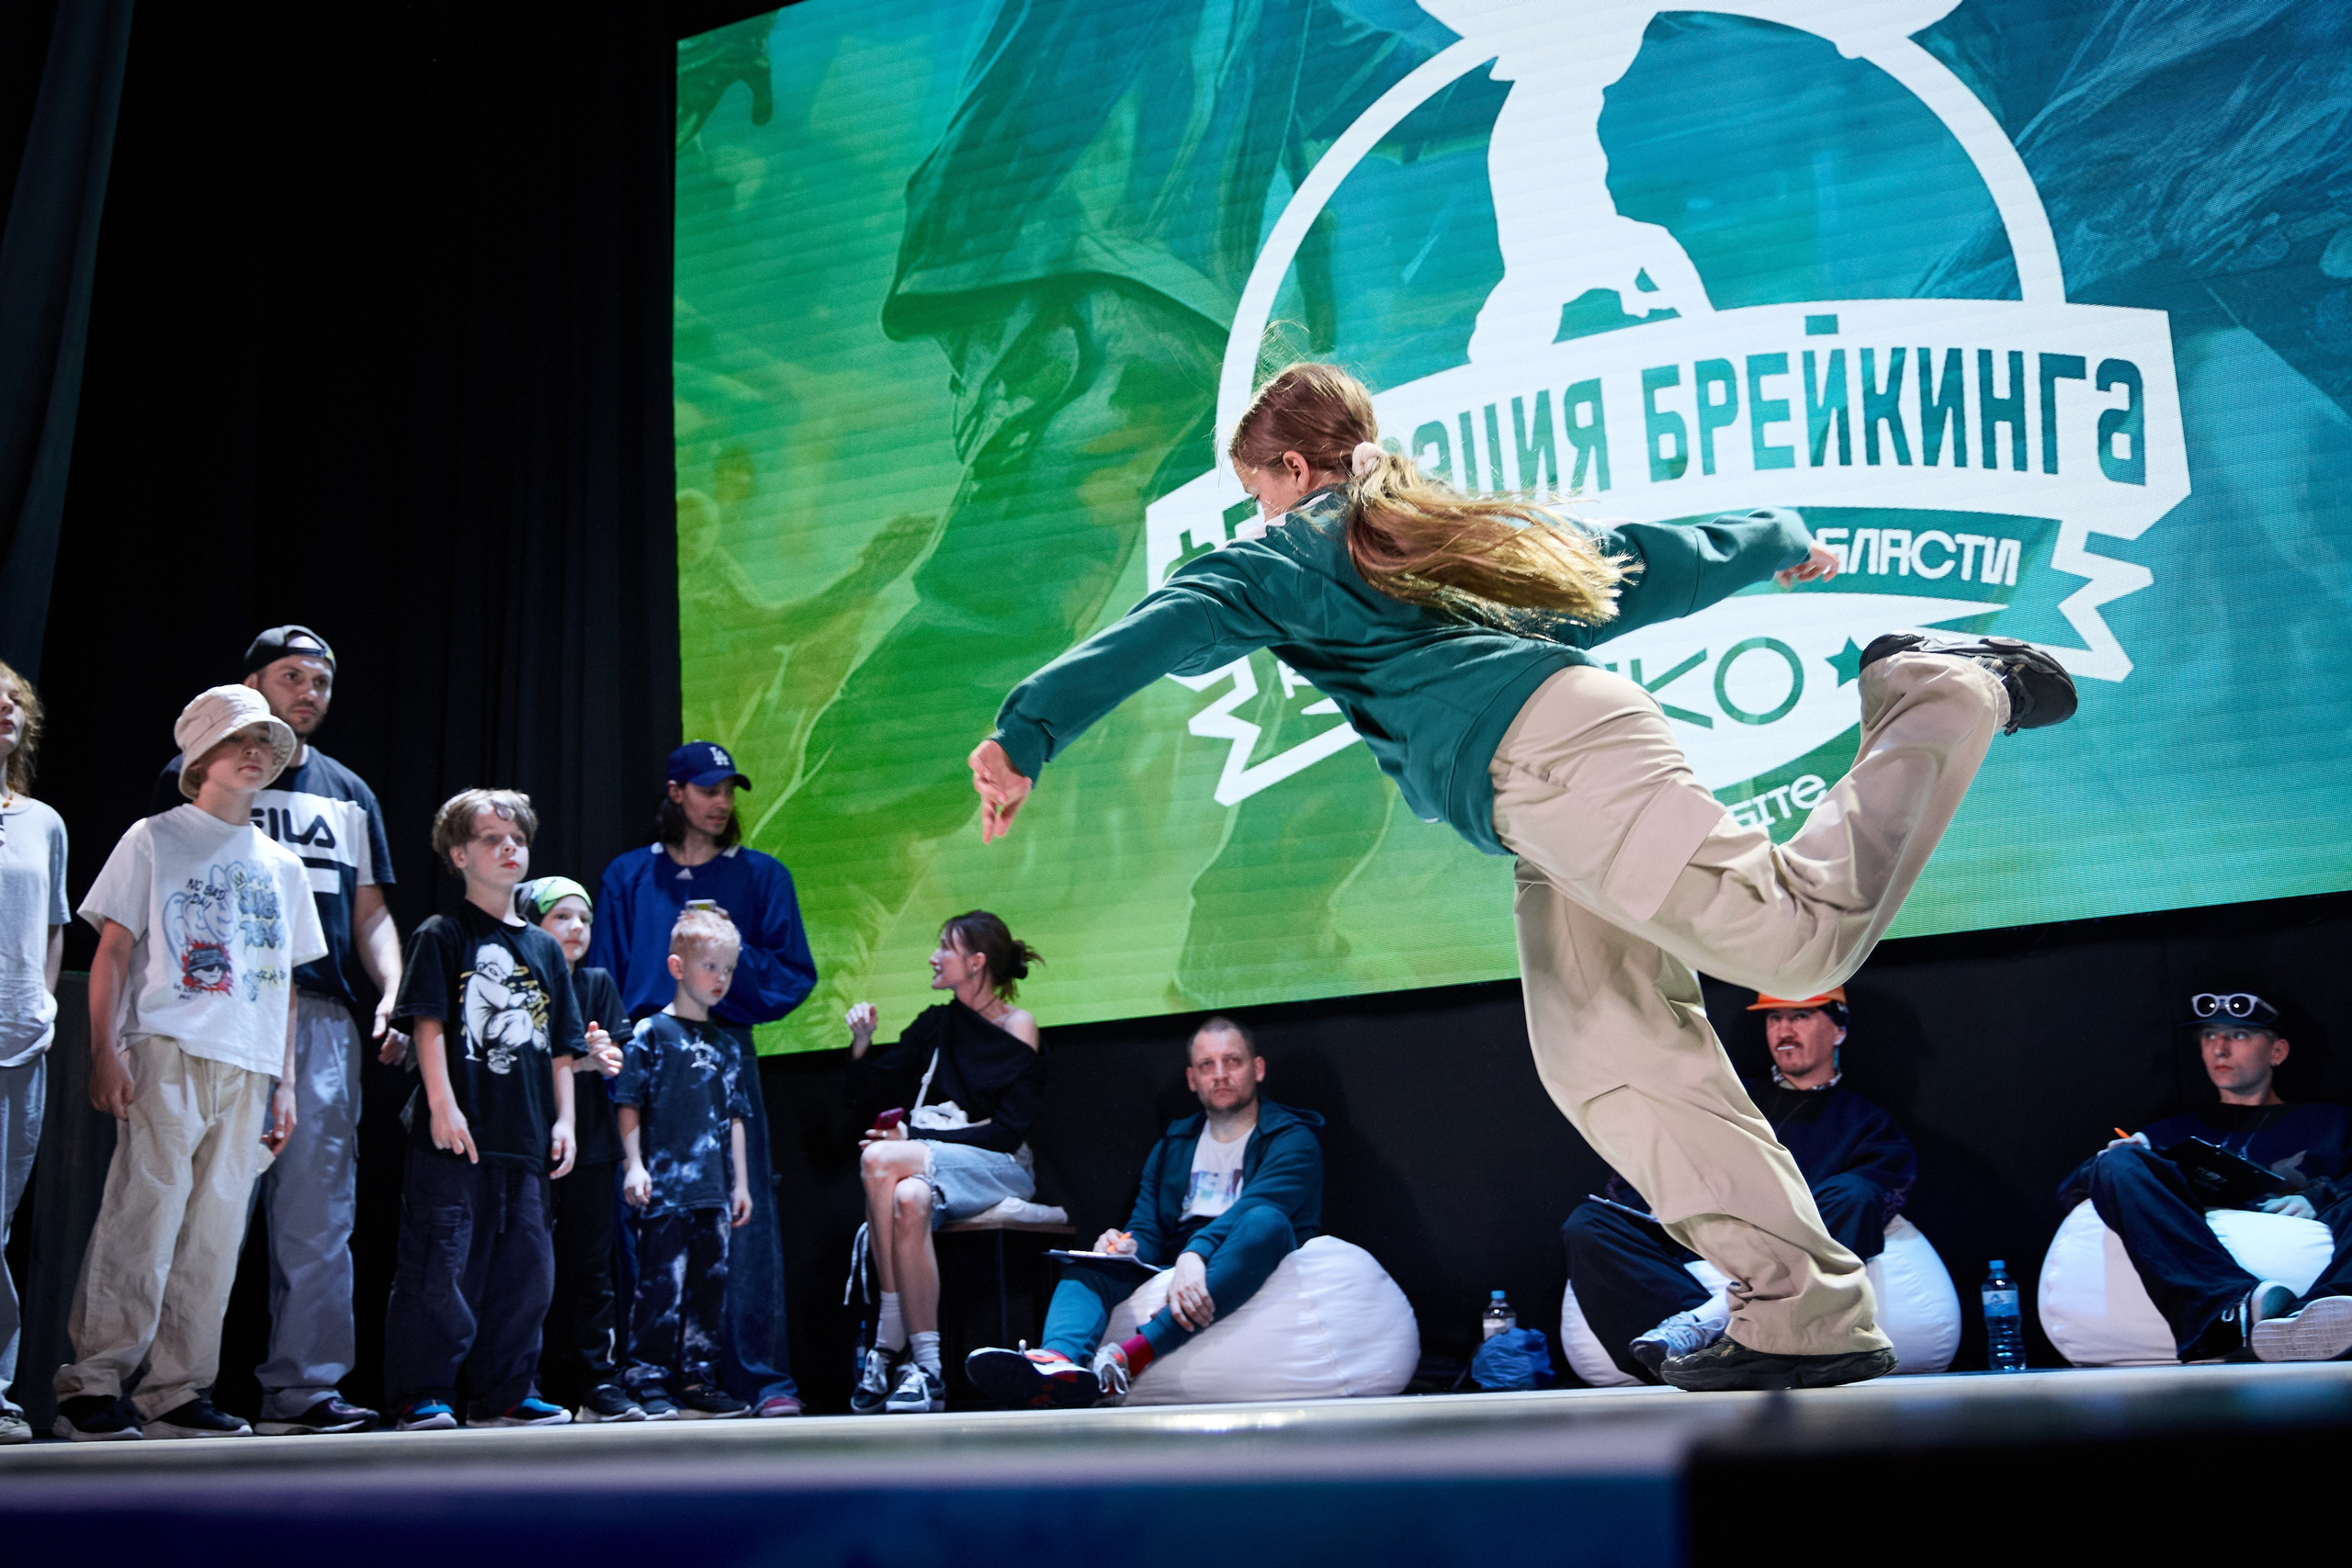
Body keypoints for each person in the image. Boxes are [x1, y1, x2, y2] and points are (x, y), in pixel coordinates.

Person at [967, 363, 2079, 1392]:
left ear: (1294, 472)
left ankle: (1939, 690)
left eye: (1254, 488)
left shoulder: (1295, 546)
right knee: (1607, 1056)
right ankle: (1800, 1309)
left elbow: (1170, 625)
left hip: (1556, 765)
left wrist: (1024, 733)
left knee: (1794, 942)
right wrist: (1768, 537)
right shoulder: (1425, 534)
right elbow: (1625, 571)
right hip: (1546, 792)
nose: (1253, 512)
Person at [146, 625, 401, 1436]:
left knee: (319, 1213)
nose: (310, 693)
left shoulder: (349, 793)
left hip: (319, 1017)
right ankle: (169, 1387)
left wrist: (393, 985)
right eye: (293, 676)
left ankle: (305, 1390)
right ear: (253, 682)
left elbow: (371, 912)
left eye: (321, 681)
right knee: (192, 1206)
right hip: (214, 1011)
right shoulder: (206, 775)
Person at [53, 686, 324, 1439]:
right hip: (167, 1045)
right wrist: (106, 1048)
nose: (257, 752)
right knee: (146, 1210)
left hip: (249, 1060)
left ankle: (176, 1389)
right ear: (199, 753)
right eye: (240, 738)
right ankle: (92, 1382)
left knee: (214, 1230)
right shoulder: (154, 837)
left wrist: (286, 1083)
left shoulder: (283, 865)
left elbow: (284, 981)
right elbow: (112, 950)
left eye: (267, 743)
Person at [587, 739, 813, 1416]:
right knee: (646, 1215)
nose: (721, 802)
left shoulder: (762, 876)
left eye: (729, 790)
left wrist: (718, 972)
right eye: (709, 788)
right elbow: (606, 973)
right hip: (648, 1057)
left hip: (723, 1055)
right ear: (676, 792)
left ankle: (757, 1375)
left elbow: (793, 973)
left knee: (739, 1215)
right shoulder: (629, 876)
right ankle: (649, 1371)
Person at [1561, 988, 1918, 1382]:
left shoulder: (1865, 1122)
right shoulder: (1730, 1099)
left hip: (1788, 1240)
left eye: (1799, 1017)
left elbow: (1877, 1194)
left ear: (1838, 1030)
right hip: (1703, 1234)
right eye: (1774, 1018)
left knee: (1853, 1195)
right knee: (1588, 1222)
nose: (1784, 1030)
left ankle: (1707, 1324)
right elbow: (1658, 1159)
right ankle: (1708, 1348)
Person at [967, 1017, 1324, 1409]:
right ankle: (1058, 1365)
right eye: (1207, 1065)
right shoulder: (1174, 1144)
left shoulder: (1292, 1138)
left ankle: (1129, 1357)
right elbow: (1148, 1229)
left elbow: (1258, 1206)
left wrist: (1195, 1254)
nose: (1220, 1075)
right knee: (1089, 1265)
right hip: (1177, 1260)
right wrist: (1127, 1245)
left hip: (1246, 1252)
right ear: (1192, 1079)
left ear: (1257, 1068)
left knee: (1265, 1222)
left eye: (1232, 1061)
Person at [381, 790, 582, 1431]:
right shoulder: (442, 934)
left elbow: (561, 1045)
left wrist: (566, 1120)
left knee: (527, 1273)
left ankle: (506, 1390)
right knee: (440, 1268)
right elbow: (429, 1024)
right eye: (493, 838)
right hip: (455, 1137)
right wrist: (443, 1106)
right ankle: (423, 1390)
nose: (508, 847)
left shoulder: (547, 951)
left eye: (517, 838)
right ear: (459, 853)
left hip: (524, 1140)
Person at [2063, 991, 2352, 1362]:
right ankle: (2230, 1310)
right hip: (2203, 1248)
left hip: (2310, 1221)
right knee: (2118, 1164)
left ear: (2277, 1052)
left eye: (2239, 1036)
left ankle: (2320, 1317)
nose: (2219, 1049)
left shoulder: (2331, 1123)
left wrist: (2318, 1197)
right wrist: (2121, 1158)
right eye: (2209, 1036)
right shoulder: (2167, 1133)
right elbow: (2073, 1192)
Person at [843, 910, 1046, 1415]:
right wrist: (863, 1042)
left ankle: (889, 1334)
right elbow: (873, 1090)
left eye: (944, 948)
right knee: (908, 1197)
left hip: (998, 1167)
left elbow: (1006, 1131)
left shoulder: (1018, 1027)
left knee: (878, 1159)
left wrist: (915, 1134)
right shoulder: (937, 1023)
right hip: (935, 1167)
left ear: (976, 963)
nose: (933, 957)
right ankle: (928, 1369)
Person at [613, 908, 756, 1419]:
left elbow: (736, 1116)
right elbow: (629, 1100)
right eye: (710, 967)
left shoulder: (726, 1045)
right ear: (677, 967)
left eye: (728, 969)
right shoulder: (651, 1032)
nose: (720, 979)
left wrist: (740, 1183)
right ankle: (647, 1378)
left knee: (708, 1289)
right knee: (660, 1287)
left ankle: (698, 1380)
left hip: (713, 1193)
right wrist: (635, 1165)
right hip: (665, 1191)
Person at [514, 876, 632, 1421]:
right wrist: (579, 1058)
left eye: (583, 918)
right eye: (561, 917)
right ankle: (517, 1380)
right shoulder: (517, 981)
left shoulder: (597, 982)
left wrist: (601, 1056)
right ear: (531, 924)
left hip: (591, 1145)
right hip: (528, 1143)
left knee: (591, 1271)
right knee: (524, 1267)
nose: (576, 928)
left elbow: (613, 1055)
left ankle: (598, 1385)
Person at [0, 662, 64, 1446]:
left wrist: (42, 1003)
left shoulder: (43, 820)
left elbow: (52, 925)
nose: (4, 715)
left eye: (12, 704)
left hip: (18, 1040)